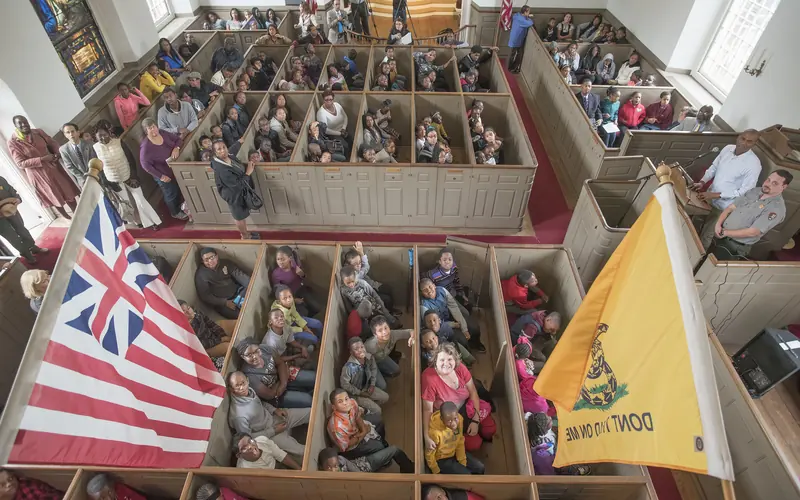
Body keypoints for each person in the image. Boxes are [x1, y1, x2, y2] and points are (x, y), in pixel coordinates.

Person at [693, 130, 764, 249]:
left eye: (749, 141)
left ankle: (697, 258)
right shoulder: (727, 149)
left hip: (724, 206)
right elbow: (714, 167)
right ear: (738, 137)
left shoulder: (754, 164)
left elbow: (745, 191)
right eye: (743, 138)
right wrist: (702, 181)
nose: (744, 143)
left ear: (755, 144)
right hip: (708, 195)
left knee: (707, 234)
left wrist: (717, 195)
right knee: (695, 222)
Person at [421, 343, 496, 453]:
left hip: (468, 406)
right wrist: (426, 436)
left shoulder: (460, 367)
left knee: (490, 429)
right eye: (442, 360)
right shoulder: (429, 379)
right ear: (435, 361)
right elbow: (427, 410)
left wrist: (475, 420)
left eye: (450, 359)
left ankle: (479, 432)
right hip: (450, 417)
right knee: (474, 444)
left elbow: (473, 392)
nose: (446, 363)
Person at [708, 170, 792, 260]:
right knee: (706, 258)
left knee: (715, 269)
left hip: (735, 245)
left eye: (774, 183)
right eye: (768, 180)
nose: (768, 184)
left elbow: (753, 232)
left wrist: (725, 233)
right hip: (720, 233)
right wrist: (718, 224)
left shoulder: (776, 209)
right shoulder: (755, 191)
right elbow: (731, 207)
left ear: (783, 187)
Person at [8, 116, 78, 220]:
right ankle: (67, 217)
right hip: (38, 175)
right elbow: (20, 163)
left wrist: (58, 153)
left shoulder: (38, 132)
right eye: (20, 123)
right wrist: (42, 159)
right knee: (52, 196)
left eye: (25, 122)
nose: (24, 125)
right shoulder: (13, 142)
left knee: (67, 191)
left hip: (53, 167)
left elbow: (52, 143)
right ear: (15, 126)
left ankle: (78, 213)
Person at [327, 389, 415, 472]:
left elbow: (357, 417)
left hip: (357, 431)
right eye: (340, 402)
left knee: (378, 420)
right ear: (334, 407)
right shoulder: (336, 427)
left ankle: (382, 446)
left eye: (346, 399)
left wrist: (363, 429)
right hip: (350, 447)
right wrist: (362, 434)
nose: (345, 403)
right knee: (378, 447)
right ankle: (383, 455)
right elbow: (346, 446)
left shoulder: (352, 403)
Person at [227, 371, 310, 457]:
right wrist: (273, 431)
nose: (242, 388)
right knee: (303, 451)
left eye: (243, 383)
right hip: (268, 435)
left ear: (247, 381)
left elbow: (261, 404)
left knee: (309, 413)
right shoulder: (238, 416)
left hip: (273, 417)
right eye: (237, 386)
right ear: (231, 389)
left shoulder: (249, 392)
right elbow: (249, 438)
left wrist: (275, 410)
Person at [94, 128, 161, 230]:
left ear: (109, 133)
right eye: (100, 137)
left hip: (129, 176)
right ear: (96, 138)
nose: (103, 138)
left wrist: (134, 175)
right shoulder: (95, 148)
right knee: (127, 203)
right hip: (113, 180)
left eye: (104, 135)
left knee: (140, 200)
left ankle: (153, 222)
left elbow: (130, 158)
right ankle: (137, 221)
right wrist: (106, 183)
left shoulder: (119, 142)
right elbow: (98, 168)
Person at [237, 338, 314, 408]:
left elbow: (280, 363)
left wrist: (283, 383)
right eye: (249, 355)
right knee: (308, 400)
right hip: (278, 394)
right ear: (242, 357)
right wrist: (283, 380)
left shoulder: (265, 349)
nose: (255, 356)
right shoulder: (248, 375)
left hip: (283, 378)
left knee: (314, 378)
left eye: (257, 351)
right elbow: (270, 395)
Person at [138, 118, 188, 220]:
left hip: (174, 168)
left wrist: (176, 148)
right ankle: (175, 212)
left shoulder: (163, 133)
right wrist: (161, 177)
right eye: (150, 128)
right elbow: (145, 165)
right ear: (146, 131)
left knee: (178, 189)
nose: (153, 130)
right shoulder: (146, 147)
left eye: (154, 127)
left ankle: (181, 206)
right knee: (171, 193)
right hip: (163, 173)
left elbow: (178, 140)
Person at [210, 140, 260, 240]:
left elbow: (233, 149)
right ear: (215, 153)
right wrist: (248, 173)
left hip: (240, 191)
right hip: (233, 195)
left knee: (243, 213)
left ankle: (246, 232)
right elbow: (236, 184)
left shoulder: (230, 156)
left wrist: (238, 142)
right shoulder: (221, 169)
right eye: (219, 149)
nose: (223, 150)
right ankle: (245, 236)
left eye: (224, 147)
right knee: (239, 216)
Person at [419, 278, 484, 353]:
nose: (429, 291)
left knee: (474, 327)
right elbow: (434, 325)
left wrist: (464, 328)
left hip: (450, 315)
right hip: (442, 326)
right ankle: (468, 354)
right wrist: (453, 325)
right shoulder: (424, 306)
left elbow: (453, 307)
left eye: (430, 287)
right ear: (422, 293)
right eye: (425, 290)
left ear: (434, 286)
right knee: (461, 339)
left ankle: (476, 344)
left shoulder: (442, 290)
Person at [425, 401, 485, 475]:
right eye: (449, 421)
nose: (453, 424)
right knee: (467, 475)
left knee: (480, 467)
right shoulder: (435, 433)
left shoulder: (459, 420)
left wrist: (462, 461)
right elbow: (429, 454)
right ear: (442, 419)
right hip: (442, 459)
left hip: (454, 451)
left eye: (455, 419)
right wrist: (435, 470)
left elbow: (460, 441)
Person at [194, 247, 251, 318]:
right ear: (202, 261)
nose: (210, 261)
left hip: (238, 292)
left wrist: (250, 285)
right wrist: (225, 302)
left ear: (217, 256)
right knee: (241, 315)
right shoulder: (201, 275)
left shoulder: (225, 263)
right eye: (206, 260)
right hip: (224, 302)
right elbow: (205, 296)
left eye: (212, 257)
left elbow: (239, 275)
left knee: (251, 299)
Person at [0, 178, 47, 265]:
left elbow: (11, 190)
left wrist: (17, 199)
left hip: (11, 209)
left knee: (22, 229)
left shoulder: (0, 179)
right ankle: (27, 255)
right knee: (12, 237)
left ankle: (33, 247)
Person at [343, 241, 396, 313]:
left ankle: (390, 310)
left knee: (388, 288)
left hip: (372, 285)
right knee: (387, 299)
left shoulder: (354, 269)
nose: (359, 265)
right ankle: (388, 313)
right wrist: (361, 253)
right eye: (355, 264)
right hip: (368, 293)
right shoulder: (354, 276)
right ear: (348, 265)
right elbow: (366, 267)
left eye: (360, 262)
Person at [271, 245, 323, 318]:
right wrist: (293, 300)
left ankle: (309, 317)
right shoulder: (276, 274)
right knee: (303, 313)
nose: (280, 262)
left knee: (317, 308)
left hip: (301, 290)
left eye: (283, 259)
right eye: (278, 259)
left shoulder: (295, 265)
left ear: (290, 258)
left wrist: (302, 274)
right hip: (290, 296)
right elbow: (277, 292)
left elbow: (304, 278)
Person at [341, 337, 389, 415]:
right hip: (356, 394)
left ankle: (370, 406)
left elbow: (373, 369)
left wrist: (372, 384)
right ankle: (363, 411)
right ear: (351, 352)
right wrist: (359, 393)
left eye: (362, 347)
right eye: (356, 349)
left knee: (385, 397)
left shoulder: (369, 357)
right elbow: (344, 384)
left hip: (367, 387)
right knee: (378, 411)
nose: (360, 350)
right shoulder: (348, 367)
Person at [179, 299, 231, 371]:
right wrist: (221, 340)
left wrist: (222, 335)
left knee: (229, 326)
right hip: (206, 348)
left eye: (188, 308)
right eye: (184, 312)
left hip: (212, 336)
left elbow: (210, 323)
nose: (189, 312)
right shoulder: (186, 330)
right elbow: (203, 344)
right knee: (228, 347)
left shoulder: (197, 313)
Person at [364, 315, 413, 380]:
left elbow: (411, 331)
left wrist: (412, 337)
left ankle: (382, 376)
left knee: (396, 371)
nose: (384, 332)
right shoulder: (370, 346)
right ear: (375, 335)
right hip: (371, 364)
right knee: (383, 386)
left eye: (385, 328)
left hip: (381, 359)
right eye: (380, 330)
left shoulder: (393, 334)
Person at [58, 122, 95, 189]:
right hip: (83, 180)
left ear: (78, 132)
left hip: (96, 174)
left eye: (73, 131)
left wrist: (92, 175)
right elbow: (70, 167)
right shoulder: (63, 150)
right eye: (68, 132)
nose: (71, 134)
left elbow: (95, 160)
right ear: (65, 135)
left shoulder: (89, 144)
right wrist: (83, 178)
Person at [235, 433, 301, 469]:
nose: (250, 446)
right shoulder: (244, 470)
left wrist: (300, 471)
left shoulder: (262, 440)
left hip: (277, 463)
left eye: (250, 441)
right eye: (244, 448)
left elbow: (282, 456)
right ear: (239, 455)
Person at [316, 90, 351, 157]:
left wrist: (343, 128)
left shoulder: (337, 105)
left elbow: (345, 116)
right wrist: (340, 133)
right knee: (345, 146)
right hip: (333, 135)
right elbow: (325, 130)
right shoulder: (321, 113)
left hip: (343, 130)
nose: (329, 101)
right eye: (326, 100)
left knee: (351, 141)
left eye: (331, 99)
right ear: (323, 100)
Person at [318, 445, 399, 473]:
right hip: (364, 473)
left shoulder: (341, 460)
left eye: (335, 466)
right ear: (321, 467)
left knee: (394, 449)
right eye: (329, 467)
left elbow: (357, 472)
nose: (333, 470)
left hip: (366, 464)